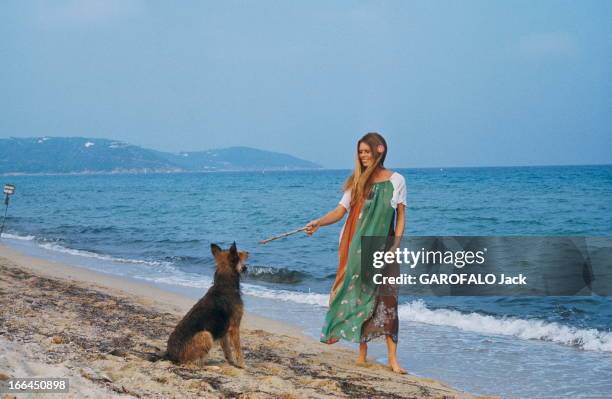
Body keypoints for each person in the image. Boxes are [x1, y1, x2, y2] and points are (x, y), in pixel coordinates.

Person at [306, 132, 407, 374]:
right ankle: (362, 355)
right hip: (359, 250)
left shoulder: (397, 180)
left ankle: (393, 360)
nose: (362, 156)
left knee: (389, 300)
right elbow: (340, 212)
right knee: (362, 299)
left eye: (366, 151)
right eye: (360, 152)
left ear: (379, 150)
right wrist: (318, 222)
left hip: (386, 249)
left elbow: (401, 216)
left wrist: (396, 245)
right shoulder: (356, 182)